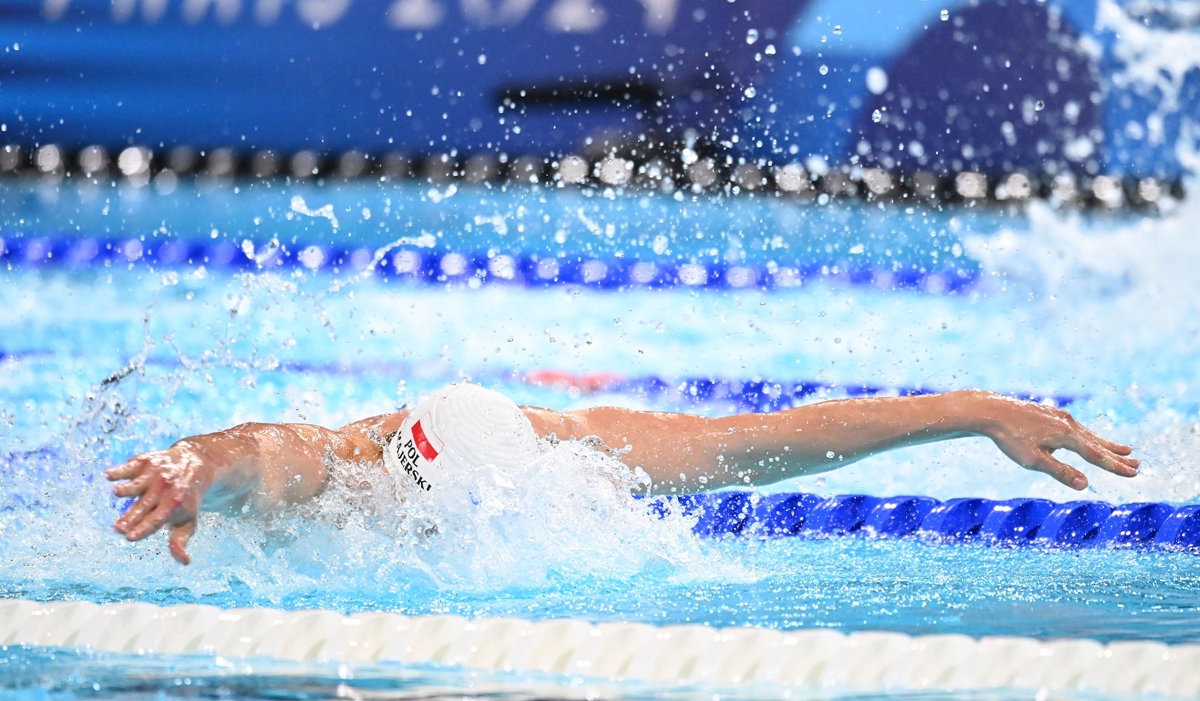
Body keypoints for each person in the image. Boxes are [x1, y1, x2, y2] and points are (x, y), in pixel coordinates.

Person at [106, 384, 1139, 565]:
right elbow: (261, 451)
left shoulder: (564, 444)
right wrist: (197, 464)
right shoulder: (345, 474)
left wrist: (974, 412)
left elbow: (761, 439)